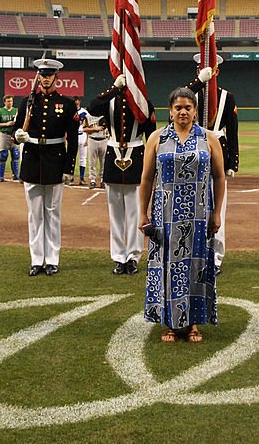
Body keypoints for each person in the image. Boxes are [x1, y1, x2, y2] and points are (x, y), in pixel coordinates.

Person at [139, 87, 225, 343]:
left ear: (195, 111)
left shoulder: (208, 139)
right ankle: (171, 323)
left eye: (188, 107)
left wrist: (217, 212)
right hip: (164, 216)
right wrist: (142, 213)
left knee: (196, 267)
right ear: (171, 110)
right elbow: (146, 178)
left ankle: (194, 323)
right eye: (178, 107)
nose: (183, 111)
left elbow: (219, 177)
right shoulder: (157, 138)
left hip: (199, 215)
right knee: (166, 266)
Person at [13, 59, 80, 276]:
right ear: (38, 77)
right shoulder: (27, 102)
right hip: (32, 159)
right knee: (34, 215)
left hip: (55, 160)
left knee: (52, 213)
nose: (45, 78)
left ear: (56, 77)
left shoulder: (67, 104)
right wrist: (18, 136)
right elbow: (15, 131)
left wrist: (69, 168)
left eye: (49, 75)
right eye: (42, 75)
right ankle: (36, 259)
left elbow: (73, 140)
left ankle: (52, 259)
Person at [89, 72, 156, 275]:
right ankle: (119, 256)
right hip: (113, 156)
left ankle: (133, 256)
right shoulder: (109, 101)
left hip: (136, 157)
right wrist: (114, 88)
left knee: (136, 211)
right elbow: (92, 107)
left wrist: (152, 167)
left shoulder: (144, 104)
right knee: (115, 213)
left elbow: (151, 136)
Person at [186, 54, 239, 274]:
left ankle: (215, 257)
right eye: (201, 68)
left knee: (218, 209)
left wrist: (232, 162)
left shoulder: (227, 97)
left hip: (218, 155)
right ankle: (192, 254)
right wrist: (198, 83)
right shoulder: (190, 96)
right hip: (192, 157)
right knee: (191, 209)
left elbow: (232, 131)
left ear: (216, 72)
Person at [0, 95, 20, 182]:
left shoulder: (16, 111)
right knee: (4, 155)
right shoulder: (0, 111)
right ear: (4, 102)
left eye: (11, 101)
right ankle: (1, 176)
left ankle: (16, 174)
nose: (10, 103)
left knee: (15, 154)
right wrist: (6, 124)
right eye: (8, 101)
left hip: (14, 134)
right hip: (4, 134)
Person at [84, 108, 109, 189]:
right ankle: (92, 180)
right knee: (92, 161)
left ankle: (103, 180)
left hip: (104, 140)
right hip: (92, 140)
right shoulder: (88, 116)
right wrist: (95, 129)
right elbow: (84, 129)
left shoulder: (106, 115)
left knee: (104, 161)